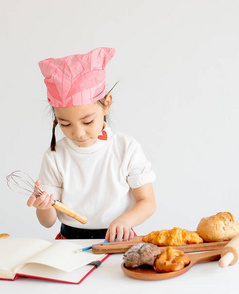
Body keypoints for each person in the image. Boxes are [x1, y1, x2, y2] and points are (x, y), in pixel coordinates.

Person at [27, 47, 156, 242]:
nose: (78, 133)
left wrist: (125, 221)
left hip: (119, 242)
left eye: (87, 122)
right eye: (65, 124)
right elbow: (47, 222)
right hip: (69, 244)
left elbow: (147, 202)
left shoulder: (126, 148)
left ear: (106, 104)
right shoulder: (55, 156)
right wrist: (44, 207)